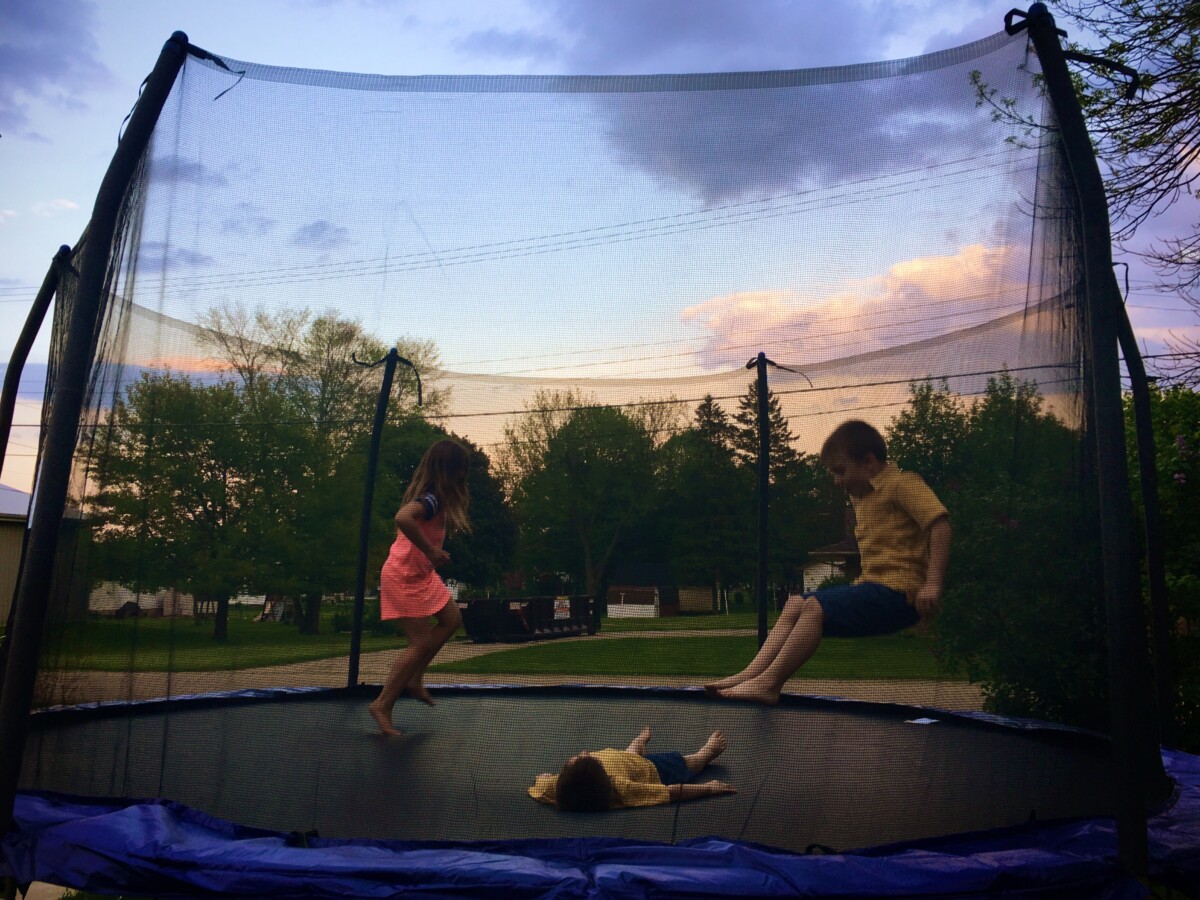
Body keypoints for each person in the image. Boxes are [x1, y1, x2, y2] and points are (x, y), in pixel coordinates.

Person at [706, 419, 951, 705]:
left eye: (841, 471)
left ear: (869, 462)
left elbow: (940, 525)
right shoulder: (862, 496)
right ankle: (749, 676)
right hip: (873, 590)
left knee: (814, 607)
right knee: (794, 604)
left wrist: (932, 584)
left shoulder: (902, 484)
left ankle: (767, 685)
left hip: (900, 596)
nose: (837, 481)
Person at [369, 439, 471, 736]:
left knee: (451, 619)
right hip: (403, 576)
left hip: (422, 575)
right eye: (460, 469)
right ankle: (382, 704)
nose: (463, 475)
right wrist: (430, 550)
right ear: (449, 469)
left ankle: (414, 679)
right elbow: (402, 517)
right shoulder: (431, 499)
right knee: (420, 642)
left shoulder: (438, 498)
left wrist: (429, 556)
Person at [528, 726, 735, 811]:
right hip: (649, 769)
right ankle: (706, 753)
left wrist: (543, 778)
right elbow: (670, 792)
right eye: (585, 757)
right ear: (603, 774)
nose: (584, 751)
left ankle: (637, 744)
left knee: (629, 753)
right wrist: (708, 788)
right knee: (688, 763)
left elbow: (541, 782)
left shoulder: (553, 787)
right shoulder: (622, 787)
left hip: (622, 759)